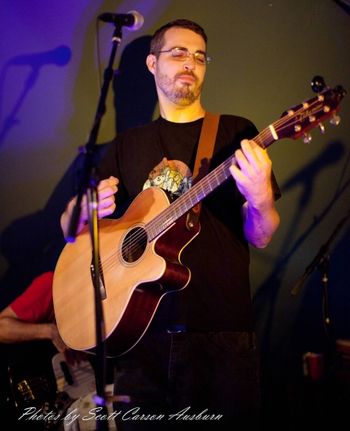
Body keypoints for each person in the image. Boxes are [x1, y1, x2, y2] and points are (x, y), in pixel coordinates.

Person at [60, 18, 280, 429]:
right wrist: (83, 209)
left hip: (222, 336)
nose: (190, 63)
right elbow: (69, 228)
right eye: (178, 53)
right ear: (151, 64)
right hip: (139, 339)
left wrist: (261, 196)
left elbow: (262, 235)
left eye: (199, 56)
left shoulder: (237, 134)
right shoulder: (127, 145)